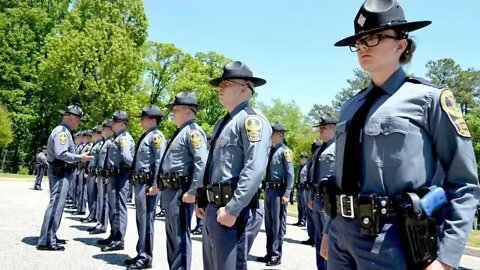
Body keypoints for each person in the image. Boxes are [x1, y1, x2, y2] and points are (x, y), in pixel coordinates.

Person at [325, 1, 480, 269]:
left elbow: (464, 182)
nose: (362, 46)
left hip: (392, 238)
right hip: (342, 235)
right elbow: (343, 179)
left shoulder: (429, 99)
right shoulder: (350, 107)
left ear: (401, 45)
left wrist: (446, 257)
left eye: (373, 37)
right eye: (359, 40)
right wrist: (330, 228)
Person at [197, 60, 271, 270]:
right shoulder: (223, 122)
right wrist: (202, 198)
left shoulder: (251, 121)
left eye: (227, 82)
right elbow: (212, 165)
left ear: (245, 87)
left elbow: (255, 168)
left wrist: (234, 208)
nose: (220, 87)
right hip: (215, 207)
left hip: (234, 211)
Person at [159, 92, 208, 270]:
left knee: (180, 237)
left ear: (188, 111)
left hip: (181, 190)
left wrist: (194, 191)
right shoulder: (181, 131)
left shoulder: (193, 132)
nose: (172, 112)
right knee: (172, 237)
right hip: (171, 190)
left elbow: (201, 162)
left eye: (176, 109)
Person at [37, 105, 93, 251]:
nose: (79, 123)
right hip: (60, 171)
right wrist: (80, 157)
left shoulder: (64, 131)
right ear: (72, 117)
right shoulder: (62, 132)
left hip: (61, 170)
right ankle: (47, 240)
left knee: (57, 205)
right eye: (79, 119)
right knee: (56, 205)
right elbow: (62, 154)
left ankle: (51, 235)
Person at [125, 105, 165, 269]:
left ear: (153, 120)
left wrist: (156, 184)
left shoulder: (156, 136)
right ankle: (141, 252)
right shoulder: (147, 135)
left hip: (148, 184)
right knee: (141, 219)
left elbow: (160, 161)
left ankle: (146, 257)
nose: (141, 121)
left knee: (146, 220)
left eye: (143, 118)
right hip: (140, 183)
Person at [100, 111, 134, 252]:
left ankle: (118, 239)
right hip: (115, 176)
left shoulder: (124, 138)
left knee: (119, 208)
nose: (112, 124)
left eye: (114, 122)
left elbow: (127, 157)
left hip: (121, 176)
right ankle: (113, 234)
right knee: (113, 207)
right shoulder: (118, 137)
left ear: (121, 123)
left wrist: (134, 169)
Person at [260, 123, 294, 266]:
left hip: (279, 192)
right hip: (269, 190)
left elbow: (290, 174)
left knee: (277, 224)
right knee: (268, 223)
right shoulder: (270, 151)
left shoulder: (285, 152)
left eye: (272, 134)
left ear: (279, 135)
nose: (270, 137)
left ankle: (276, 255)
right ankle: (269, 252)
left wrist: (287, 193)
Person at [308, 115, 336, 270]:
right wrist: (312, 198)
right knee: (319, 239)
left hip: (329, 200)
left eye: (323, 128)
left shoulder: (338, 147)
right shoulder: (320, 150)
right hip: (318, 198)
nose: (320, 131)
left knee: (329, 239)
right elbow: (314, 178)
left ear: (332, 127)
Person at [89, 119, 114, 235]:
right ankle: (100, 222)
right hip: (99, 174)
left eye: (103, 129)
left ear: (109, 129)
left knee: (103, 201)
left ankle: (102, 225)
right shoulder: (106, 142)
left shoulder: (110, 142)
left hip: (104, 176)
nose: (102, 131)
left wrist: (106, 174)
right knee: (100, 200)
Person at [81, 125, 104, 223]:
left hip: (95, 172)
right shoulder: (96, 144)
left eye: (94, 133)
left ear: (98, 133)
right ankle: (92, 213)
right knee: (90, 194)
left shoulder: (100, 144)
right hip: (91, 171)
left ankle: (94, 215)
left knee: (94, 196)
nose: (92, 135)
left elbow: (99, 160)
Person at [292, 151, 309, 226]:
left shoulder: (307, 167)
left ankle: (303, 221)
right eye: (301, 157)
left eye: (303, 158)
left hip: (304, 188)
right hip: (299, 188)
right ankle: (299, 220)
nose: (301, 159)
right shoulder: (299, 167)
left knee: (304, 206)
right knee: (299, 206)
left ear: (306, 159)